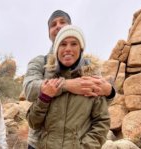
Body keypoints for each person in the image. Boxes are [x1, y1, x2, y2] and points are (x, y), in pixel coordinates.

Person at [23, 10, 115, 149]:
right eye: (53, 24)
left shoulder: (89, 69)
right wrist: (66, 85)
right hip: (38, 143)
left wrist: (109, 92)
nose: (58, 26)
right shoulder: (40, 62)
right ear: (49, 33)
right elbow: (29, 90)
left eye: (62, 22)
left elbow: (100, 111)